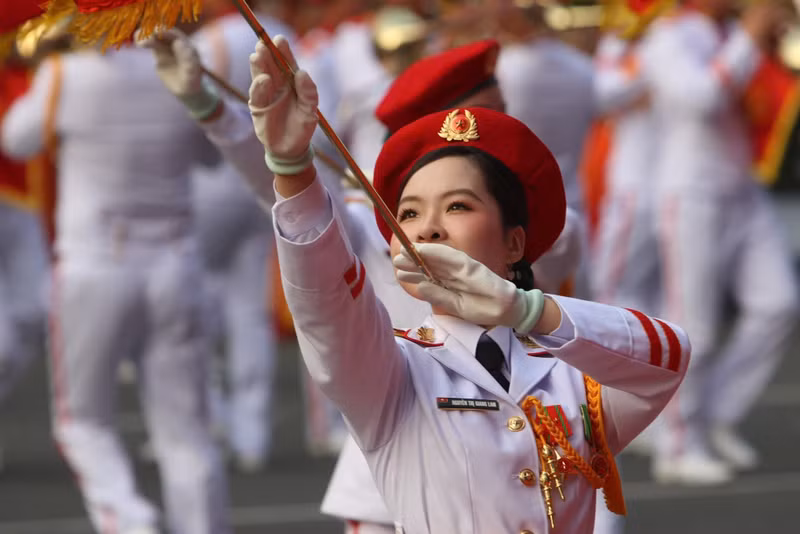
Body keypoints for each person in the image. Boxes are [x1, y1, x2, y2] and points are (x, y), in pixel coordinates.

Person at [248, 35, 690, 533]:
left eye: (457, 206)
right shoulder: (393, 372)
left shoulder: (571, 372)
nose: (428, 228)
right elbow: (326, 303)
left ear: (514, 243)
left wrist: (526, 311)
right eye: (409, 213)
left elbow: (667, 357)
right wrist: (292, 171)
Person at [1, 45, 230, 534]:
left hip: (96, 263)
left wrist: (47, 68)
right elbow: (213, 156)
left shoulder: (65, 72)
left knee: (83, 423)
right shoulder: (177, 68)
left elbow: (16, 139)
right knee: (186, 432)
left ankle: (129, 521)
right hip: (175, 259)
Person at [641, 0, 799, 485]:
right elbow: (702, 99)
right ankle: (678, 444)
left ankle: (718, 415)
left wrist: (773, 34)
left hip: (744, 190)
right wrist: (751, 36)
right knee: (696, 326)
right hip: (692, 195)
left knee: (779, 304)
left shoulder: (735, 30)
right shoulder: (667, 37)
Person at [189, 0, 295, 473]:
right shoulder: (281, 34)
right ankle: (251, 434)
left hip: (211, 180)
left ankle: (211, 416)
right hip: (265, 179)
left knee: (197, 305)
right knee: (248, 309)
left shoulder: (210, 40)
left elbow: (188, 114)